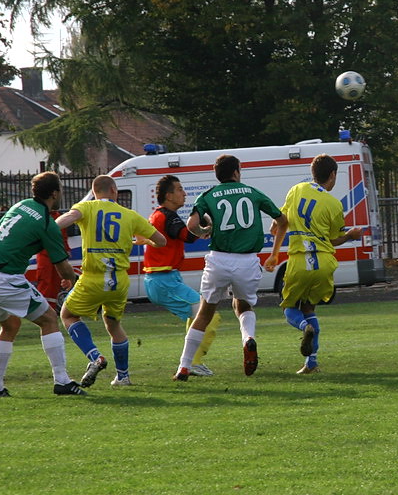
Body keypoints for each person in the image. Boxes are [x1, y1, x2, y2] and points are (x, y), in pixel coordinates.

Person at [0, 171, 85, 397]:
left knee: (10, 326)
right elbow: (62, 265)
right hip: (4, 280)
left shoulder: (19, 205)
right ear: (54, 193)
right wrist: (76, 279)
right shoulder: (47, 222)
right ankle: (62, 381)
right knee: (49, 319)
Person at [173, 155, 287, 381]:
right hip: (247, 261)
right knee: (243, 305)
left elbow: (192, 225)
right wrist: (274, 253)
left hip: (219, 260)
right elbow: (283, 220)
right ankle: (248, 339)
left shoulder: (208, 195)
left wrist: (204, 232)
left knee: (205, 313)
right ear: (236, 172)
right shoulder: (252, 192)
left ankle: (184, 366)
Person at [56, 175, 166, 387]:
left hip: (93, 278)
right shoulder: (130, 215)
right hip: (119, 281)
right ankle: (123, 376)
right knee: (114, 324)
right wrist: (142, 240)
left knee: (68, 314)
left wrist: (49, 227)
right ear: (114, 191)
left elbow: (68, 218)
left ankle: (95, 356)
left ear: (94, 191)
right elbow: (161, 241)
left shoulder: (86, 207)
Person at [265, 154, 363, 375]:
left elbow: (279, 222)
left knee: (290, 309)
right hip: (324, 263)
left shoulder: (296, 190)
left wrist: (274, 248)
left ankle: (303, 328)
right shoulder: (334, 204)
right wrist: (350, 235)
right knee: (309, 308)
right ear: (332, 175)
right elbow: (334, 239)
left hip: (299, 261)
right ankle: (311, 363)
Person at [143, 175, 220, 377]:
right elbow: (188, 236)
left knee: (199, 315)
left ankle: (190, 361)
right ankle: (191, 363)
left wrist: (204, 229)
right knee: (209, 316)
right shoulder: (168, 216)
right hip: (163, 280)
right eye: (179, 189)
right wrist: (207, 223)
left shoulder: (161, 215)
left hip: (166, 279)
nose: (184, 193)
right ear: (168, 196)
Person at [34, 208, 70, 311]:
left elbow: (63, 236)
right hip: (45, 255)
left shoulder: (57, 215)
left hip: (56, 255)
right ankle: (44, 310)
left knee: (54, 283)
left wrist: (66, 249)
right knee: (46, 282)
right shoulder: (41, 215)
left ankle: (51, 309)